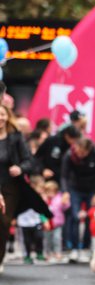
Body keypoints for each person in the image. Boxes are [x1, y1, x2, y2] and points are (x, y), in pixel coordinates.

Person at [0, 104, 42, 274]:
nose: (0, 118)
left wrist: (20, 168)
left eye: (2, 114)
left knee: (3, 222)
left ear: (8, 116)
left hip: (10, 186)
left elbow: (30, 161)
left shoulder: (15, 137)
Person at [61, 137, 95, 261]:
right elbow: (64, 175)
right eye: (78, 151)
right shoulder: (69, 155)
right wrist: (65, 191)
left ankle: (87, 247)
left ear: (88, 150)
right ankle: (75, 249)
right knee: (75, 217)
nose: (79, 155)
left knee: (89, 218)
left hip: (92, 188)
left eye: (83, 153)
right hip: (75, 187)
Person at [43, 180, 70, 262]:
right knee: (47, 239)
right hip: (47, 223)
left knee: (57, 238)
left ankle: (57, 252)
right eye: (48, 191)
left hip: (57, 223)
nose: (50, 193)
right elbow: (41, 211)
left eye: (52, 191)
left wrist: (65, 202)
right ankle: (47, 253)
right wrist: (44, 221)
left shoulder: (59, 198)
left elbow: (65, 207)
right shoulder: (44, 199)